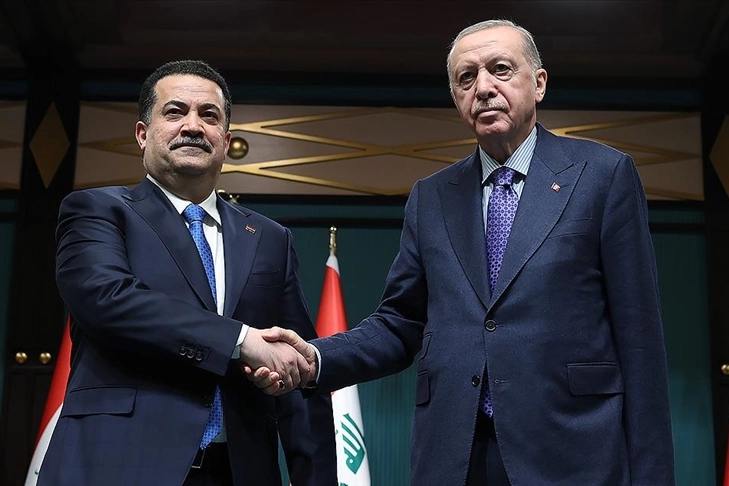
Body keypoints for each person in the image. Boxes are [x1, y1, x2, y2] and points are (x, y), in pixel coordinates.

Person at [250, 19, 676, 485]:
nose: (484, 88)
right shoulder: (431, 196)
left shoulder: (603, 174)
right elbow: (399, 323)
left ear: (539, 83)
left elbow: (639, 341)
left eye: (500, 69)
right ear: (456, 97)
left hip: (570, 453)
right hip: (455, 455)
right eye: (466, 77)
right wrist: (315, 359)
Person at [38, 60, 336, 486]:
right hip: (116, 467)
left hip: (239, 472)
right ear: (143, 134)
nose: (193, 126)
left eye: (209, 115)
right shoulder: (97, 211)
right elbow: (107, 300)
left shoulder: (270, 238)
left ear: (225, 141)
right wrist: (240, 341)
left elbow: (297, 366)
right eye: (175, 112)